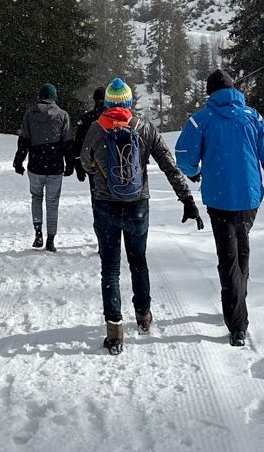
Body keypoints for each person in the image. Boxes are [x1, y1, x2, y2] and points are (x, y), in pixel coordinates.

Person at [79, 77, 203, 355]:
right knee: (138, 262)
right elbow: (170, 166)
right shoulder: (144, 128)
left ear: (108, 103)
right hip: (138, 204)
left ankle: (114, 330)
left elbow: (86, 163)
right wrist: (186, 199)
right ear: (130, 104)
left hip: (105, 204)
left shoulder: (96, 129)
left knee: (110, 267)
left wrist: (103, 169)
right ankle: (143, 315)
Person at [175, 69, 264, 348]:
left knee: (228, 259)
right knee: (242, 250)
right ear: (234, 91)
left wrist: (193, 172)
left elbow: (183, 154)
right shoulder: (253, 117)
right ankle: (239, 302)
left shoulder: (201, 120)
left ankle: (237, 324)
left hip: (219, 199)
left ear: (209, 93)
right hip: (249, 198)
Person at [15, 82, 72, 251]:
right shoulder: (62, 115)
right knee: (52, 202)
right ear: (54, 97)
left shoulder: (30, 114)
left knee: (36, 198)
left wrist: (18, 161)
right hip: (55, 165)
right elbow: (68, 142)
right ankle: (51, 239)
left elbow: (24, 140)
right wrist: (70, 163)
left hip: (36, 165)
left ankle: (38, 232)